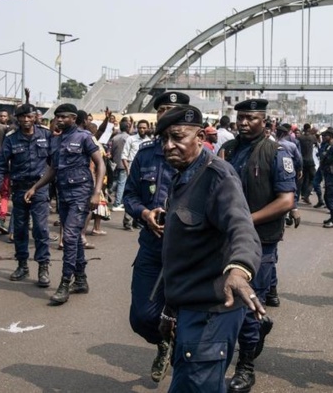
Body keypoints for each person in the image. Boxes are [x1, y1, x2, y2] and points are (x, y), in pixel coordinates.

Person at [152, 105, 263, 393]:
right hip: (189, 307)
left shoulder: (217, 177)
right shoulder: (184, 175)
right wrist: (171, 309)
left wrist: (239, 270)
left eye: (177, 137)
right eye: (164, 139)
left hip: (211, 312)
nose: (168, 146)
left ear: (200, 137)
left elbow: (242, 228)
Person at [220, 98, 296, 393]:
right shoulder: (228, 150)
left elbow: (286, 200)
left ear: (265, 121)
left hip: (260, 240)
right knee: (224, 298)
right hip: (226, 238)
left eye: (250, 118)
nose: (243, 122)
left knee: (249, 302)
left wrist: (245, 221)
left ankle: (246, 365)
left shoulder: (277, 152)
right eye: (240, 117)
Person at [123, 91, 190, 382]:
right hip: (152, 246)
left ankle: (183, 363)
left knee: (188, 316)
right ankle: (163, 341)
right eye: (161, 109)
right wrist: (145, 213)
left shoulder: (201, 156)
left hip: (188, 250)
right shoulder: (146, 153)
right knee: (141, 317)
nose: (166, 114)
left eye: (173, 109)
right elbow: (129, 195)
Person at [26, 103, 104, 305]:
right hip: (63, 193)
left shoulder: (84, 137)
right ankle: (81, 279)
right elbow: (53, 169)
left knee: (69, 236)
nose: (59, 120)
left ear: (73, 118)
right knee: (74, 238)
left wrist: (97, 193)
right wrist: (35, 187)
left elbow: (100, 163)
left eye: (63, 117)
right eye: (57, 117)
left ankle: (64, 282)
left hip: (81, 192)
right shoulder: (55, 140)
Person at [0, 103, 52, 288]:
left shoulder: (46, 135)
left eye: (29, 116)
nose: (26, 120)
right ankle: (22, 265)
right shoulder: (11, 139)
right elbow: (0, 166)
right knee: (19, 229)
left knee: (41, 229)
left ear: (35, 117)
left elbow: (54, 163)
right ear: (17, 118)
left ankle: (43, 267)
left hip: (40, 188)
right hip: (19, 189)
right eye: (22, 117)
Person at [298, 123, 317, 205]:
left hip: (302, 160)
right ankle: (306, 194)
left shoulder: (300, 138)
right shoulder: (312, 137)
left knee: (303, 179)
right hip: (310, 160)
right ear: (309, 129)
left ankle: (300, 194)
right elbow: (317, 143)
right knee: (314, 178)